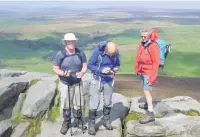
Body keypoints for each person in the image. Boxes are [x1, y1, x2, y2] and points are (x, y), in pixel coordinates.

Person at [53, 33, 87, 135]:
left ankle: (77, 120)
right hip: (65, 83)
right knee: (66, 104)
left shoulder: (80, 53)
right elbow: (55, 68)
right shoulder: (61, 54)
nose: (72, 43)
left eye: (73, 41)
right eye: (70, 41)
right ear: (66, 42)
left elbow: (84, 66)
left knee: (78, 103)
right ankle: (66, 122)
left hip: (77, 82)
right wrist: (63, 73)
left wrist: (82, 72)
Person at [87, 41, 120, 135]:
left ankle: (106, 120)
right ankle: (91, 124)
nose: (111, 55)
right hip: (97, 80)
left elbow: (117, 63)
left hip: (109, 79)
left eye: (113, 54)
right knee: (95, 101)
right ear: (106, 49)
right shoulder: (97, 52)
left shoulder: (115, 52)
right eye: (110, 54)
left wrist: (115, 68)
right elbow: (90, 65)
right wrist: (101, 70)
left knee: (108, 101)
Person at [134, 28, 160, 124]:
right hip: (143, 71)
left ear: (149, 36)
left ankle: (150, 113)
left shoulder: (153, 46)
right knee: (146, 90)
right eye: (142, 36)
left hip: (149, 72)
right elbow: (138, 56)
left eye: (145, 36)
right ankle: (147, 104)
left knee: (146, 90)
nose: (143, 38)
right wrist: (137, 68)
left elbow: (156, 62)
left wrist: (152, 77)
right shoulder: (143, 44)